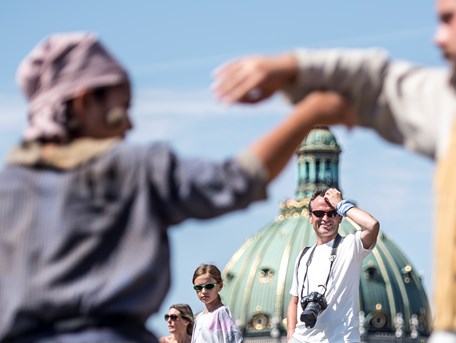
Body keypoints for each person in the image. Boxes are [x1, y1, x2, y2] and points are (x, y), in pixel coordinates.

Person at [212, 0, 456, 342]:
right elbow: (379, 80)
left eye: (449, 18)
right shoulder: (452, 107)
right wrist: (292, 66)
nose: (437, 38)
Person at [0, 32, 356, 342]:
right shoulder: (134, 169)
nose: (128, 124)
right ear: (83, 102)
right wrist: (308, 114)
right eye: (119, 110)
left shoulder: (7, 188)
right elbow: (237, 180)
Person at [287, 188, 380, 342]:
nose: (325, 218)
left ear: (340, 217)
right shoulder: (303, 256)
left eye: (332, 213)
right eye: (319, 213)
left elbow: (372, 225)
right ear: (310, 217)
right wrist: (291, 334)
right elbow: (294, 301)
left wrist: (341, 205)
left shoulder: (350, 246)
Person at [191, 264, 243, 343]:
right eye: (198, 287)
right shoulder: (198, 318)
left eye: (209, 286)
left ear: (220, 286)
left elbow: (234, 340)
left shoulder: (222, 312)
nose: (204, 291)